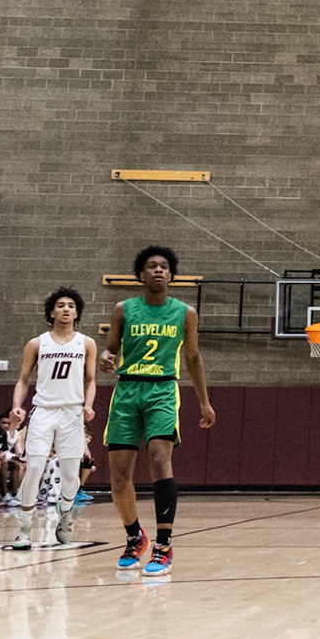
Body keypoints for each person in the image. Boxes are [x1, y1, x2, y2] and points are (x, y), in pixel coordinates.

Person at [101, 246, 215, 577]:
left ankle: (163, 545)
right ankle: (135, 537)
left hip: (162, 390)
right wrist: (107, 357)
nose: (158, 270)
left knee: (159, 460)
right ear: (141, 275)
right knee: (119, 475)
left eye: (164, 267)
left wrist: (204, 401)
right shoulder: (123, 309)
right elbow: (111, 349)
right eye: (151, 266)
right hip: (127, 390)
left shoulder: (185, 313)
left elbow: (192, 357)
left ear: (171, 276)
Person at [13, 288, 97, 550]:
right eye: (60, 305)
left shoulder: (86, 343)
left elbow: (91, 380)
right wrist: (17, 406)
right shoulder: (37, 343)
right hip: (43, 411)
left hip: (72, 413)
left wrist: (88, 405)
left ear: (77, 313)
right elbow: (23, 379)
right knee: (35, 467)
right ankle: (24, 528)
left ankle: (66, 514)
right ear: (51, 312)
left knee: (71, 475)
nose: (66, 309)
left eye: (71, 305)